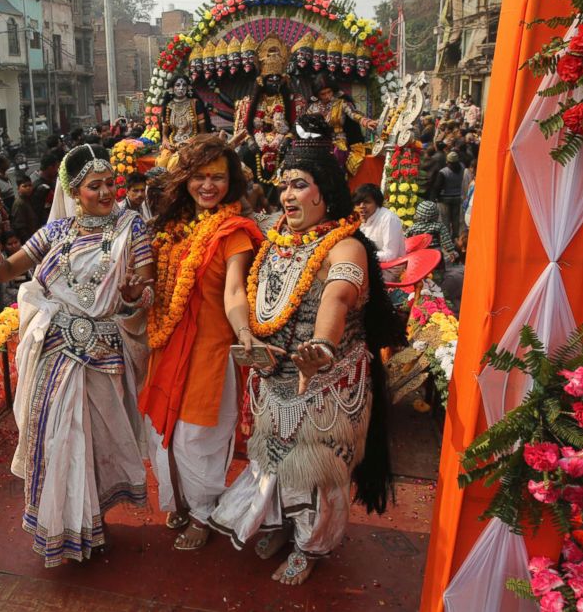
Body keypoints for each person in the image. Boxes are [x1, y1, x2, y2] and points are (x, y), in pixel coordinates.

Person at [209, 115, 405, 585]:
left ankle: (311, 545)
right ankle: (281, 526)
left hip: (327, 382)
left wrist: (321, 345)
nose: (288, 195)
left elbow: (337, 296)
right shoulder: (275, 239)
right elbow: (241, 291)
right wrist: (246, 334)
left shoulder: (348, 246)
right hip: (275, 380)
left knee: (316, 472)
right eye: (284, 186)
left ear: (326, 192)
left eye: (300, 184)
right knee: (272, 460)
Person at [0, 143, 154, 566]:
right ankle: (64, 523)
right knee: (59, 438)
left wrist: (132, 296)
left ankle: (91, 518)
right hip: (57, 353)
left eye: (111, 183)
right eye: (95, 186)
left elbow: (147, 290)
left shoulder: (133, 227)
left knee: (96, 440)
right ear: (73, 192)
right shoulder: (55, 233)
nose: (107, 192)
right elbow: (4, 271)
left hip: (105, 352)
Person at [139, 134, 263, 551]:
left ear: (233, 182)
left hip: (210, 350)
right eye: (199, 177)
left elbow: (234, 291)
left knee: (196, 437)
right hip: (169, 346)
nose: (208, 186)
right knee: (163, 433)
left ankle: (203, 511)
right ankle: (180, 498)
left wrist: (243, 330)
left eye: (218, 177)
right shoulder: (171, 230)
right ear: (184, 179)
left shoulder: (234, 231)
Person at [353, 183, 405, 271]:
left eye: (367, 202)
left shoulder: (388, 219)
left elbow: (391, 255)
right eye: (358, 203)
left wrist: (361, 254)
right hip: (366, 264)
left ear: (377, 203)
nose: (361, 206)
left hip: (390, 269)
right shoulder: (359, 217)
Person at [408, 200, 458, 276]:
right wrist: (451, 251)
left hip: (420, 253)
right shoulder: (439, 226)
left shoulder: (414, 227)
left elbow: (406, 240)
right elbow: (446, 240)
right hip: (435, 252)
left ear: (418, 214)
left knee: (421, 272)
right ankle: (438, 280)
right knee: (437, 270)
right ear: (436, 214)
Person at [0, 231, 30, 310]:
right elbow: (4, 289)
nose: (14, 246)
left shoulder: (29, 256)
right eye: (10, 244)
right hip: (10, 300)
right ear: (5, 246)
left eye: (16, 242)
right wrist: (24, 294)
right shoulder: (1, 261)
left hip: (30, 296)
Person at [432, 152, 465, 236]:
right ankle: (456, 237)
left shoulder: (443, 172)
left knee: (445, 220)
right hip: (457, 197)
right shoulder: (462, 168)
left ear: (448, 161)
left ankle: (446, 237)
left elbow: (437, 187)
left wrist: (435, 197)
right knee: (456, 219)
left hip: (444, 198)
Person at [10, 173, 40, 242]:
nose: (28, 188)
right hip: (28, 240)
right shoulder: (19, 203)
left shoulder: (29, 199)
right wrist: (28, 241)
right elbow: (19, 226)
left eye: (30, 185)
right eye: (24, 186)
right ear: (18, 189)